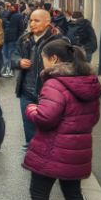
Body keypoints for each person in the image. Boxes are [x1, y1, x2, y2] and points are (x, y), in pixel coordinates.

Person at [6, 40, 101, 200]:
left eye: (44, 57)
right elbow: (93, 118)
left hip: (52, 148)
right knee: (73, 192)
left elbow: (46, 118)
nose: (43, 61)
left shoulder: (55, 83)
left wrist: (32, 109)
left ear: (54, 59)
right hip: (78, 148)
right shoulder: (89, 82)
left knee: (39, 193)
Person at [11, 9, 66, 149]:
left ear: (47, 22)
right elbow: (14, 56)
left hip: (48, 91)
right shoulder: (24, 39)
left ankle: (47, 149)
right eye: (31, 20)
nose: (32, 24)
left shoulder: (59, 40)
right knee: (28, 120)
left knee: (49, 122)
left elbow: (69, 63)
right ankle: (31, 146)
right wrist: (19, 61)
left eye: (37, 20)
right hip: (26, 89)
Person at [2, 4, 25, 77]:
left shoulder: (7, 15)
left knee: (7, 53)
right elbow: (21, 28)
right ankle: (9, 69)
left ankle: (7, 68)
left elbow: (20, 28)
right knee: (9, 53)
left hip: (7, 37)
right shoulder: (17, 16)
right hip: (11, 37)